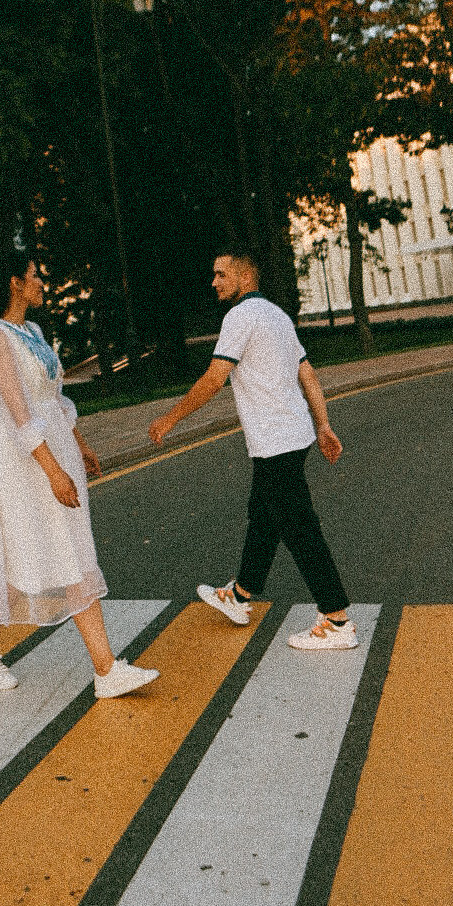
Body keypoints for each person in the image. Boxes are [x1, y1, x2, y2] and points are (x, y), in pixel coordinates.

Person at [0, 248, 159, 696]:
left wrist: (80, 445)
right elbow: (17, 411)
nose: (40, 283)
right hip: (19, 461)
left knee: (59, 548)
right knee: (26, 552)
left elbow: (53, 399)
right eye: (33, 276)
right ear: (14, 282)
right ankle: (105, 669)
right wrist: (52, 470)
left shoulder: (31, 330)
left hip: (56, 451)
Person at [149, 247, 356, 651]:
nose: (214, 282)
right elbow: (308, 374)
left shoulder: (240, 317)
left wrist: (170, 419)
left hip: (277, 440)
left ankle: (336, 619)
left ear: (244, 279)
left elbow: (214, 379)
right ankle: (241, 595)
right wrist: (324, 425)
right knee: (263, 514)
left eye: (221, 275)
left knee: (299, 527)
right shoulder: (278, 316)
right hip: (292, 437)